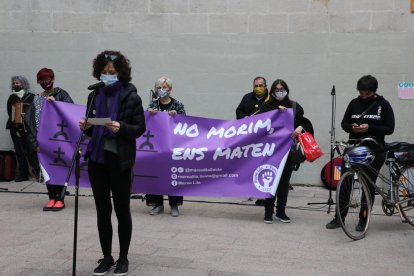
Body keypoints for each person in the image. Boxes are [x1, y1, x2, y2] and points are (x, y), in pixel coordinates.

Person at [80, 50, 146, 276]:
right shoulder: (94, 95)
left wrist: (121, 128)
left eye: (112, 72)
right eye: (104, 72)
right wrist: (87, 128)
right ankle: (106, 257)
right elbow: (92, 130)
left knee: (121, 210)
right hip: (97, 160)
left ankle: (123, 258)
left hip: (120, 160)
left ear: (121, 73)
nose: (108, 75)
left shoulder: (131, 96)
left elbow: (139, 128)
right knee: (102, 211)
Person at [326, 75, 395, 231]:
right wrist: (353, 128)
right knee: (345, 182)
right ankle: (339, 217)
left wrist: (369, 128)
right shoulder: (354, 103)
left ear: (374, 92)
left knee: (367, 185)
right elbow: (344, 123)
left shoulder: (383, 105)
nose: (364, 97)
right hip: (354, 147)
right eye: (361, 93)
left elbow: (389, 128)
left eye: (367, 94)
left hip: (374, 149)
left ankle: (364, 219)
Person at [259, 79, 312, 224]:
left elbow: (305, 123)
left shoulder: (294, 106)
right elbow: (259, 125)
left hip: (288, 150)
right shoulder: (267, 107)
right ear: (272, 92)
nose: (279, 91)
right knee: (270, 181)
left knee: (284, 182)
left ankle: (281, 212)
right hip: (271, 151)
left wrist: (300, 127)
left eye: (282, 89)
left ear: (287, 90)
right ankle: (268, 212)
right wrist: (276, 114)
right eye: (277, 89)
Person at [25, 68, 73, 211]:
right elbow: (29, 122)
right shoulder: (36, 99)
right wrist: (34, 143)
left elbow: (70, 112)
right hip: (42, 141)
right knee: (46, 170)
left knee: (59, 168)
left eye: (47, 80)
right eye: (42, 81)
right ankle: (51, 197)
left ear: (52, 79)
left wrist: (57, 103)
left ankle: (60, 199)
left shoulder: (61, 94)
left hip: (58, 141)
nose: (45, 83)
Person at [146, 76, 186, 217]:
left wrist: (177, 116)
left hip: (172, 146)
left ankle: (174, 204)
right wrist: (150, 115)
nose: (162, 90)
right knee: (156, 175)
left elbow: (185, 124)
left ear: (170, 89)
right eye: (159, 88)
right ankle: (157, 204)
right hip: (156, 146)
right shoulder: (153, 105)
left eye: (165, 87)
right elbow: (145, 123)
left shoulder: (178, 104)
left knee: (173, 175)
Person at [6, 76, 40, 182]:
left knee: (31, 151)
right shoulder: (12, 98)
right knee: (19, 151)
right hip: (15, 127)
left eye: (18, 83)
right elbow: (9, 112)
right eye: (14, 83)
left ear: (23, 84)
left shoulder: (31, 97)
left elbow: (35, 113)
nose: (15, 85)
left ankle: (38, 173)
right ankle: (23, 174)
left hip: (28, 129)